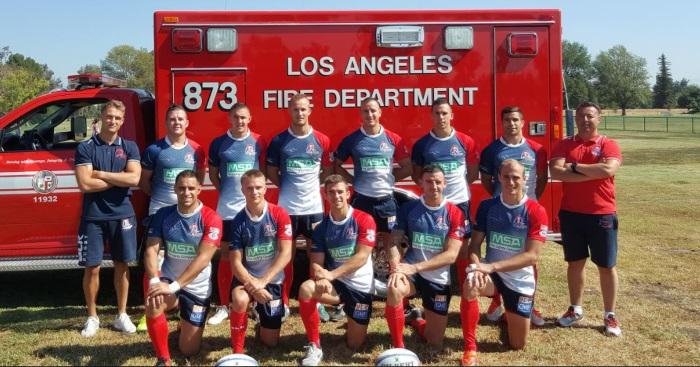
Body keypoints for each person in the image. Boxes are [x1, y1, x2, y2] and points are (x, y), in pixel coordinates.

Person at [459, 159, 548, 366]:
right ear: (499, 177)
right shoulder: (488, 206)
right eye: (506, 176)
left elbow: (532, 256)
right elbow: (474, 246)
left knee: (517, 344)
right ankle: (470, 347)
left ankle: (505, 306)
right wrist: (477, 266)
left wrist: (490, 266)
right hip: (491, 274)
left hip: (518, 278)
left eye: (516, 177)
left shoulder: (535, 210)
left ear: (525, 178)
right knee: (470, 283)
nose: (510, 181)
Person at [549, 101, 623, 336]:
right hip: (571, 214)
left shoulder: (608, 144)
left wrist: (574, 167)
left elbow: (608, 170)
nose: (585, 120)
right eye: (581, 116)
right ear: (575, 119)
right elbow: (556, 173)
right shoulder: (564, 143)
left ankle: (610, 315)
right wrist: (592, 172)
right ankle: (575, 308)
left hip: (602, 214)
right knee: (575, 263)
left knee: (606, 265)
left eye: (590, 116)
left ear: (599, 119)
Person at [74, 100, 141, 337]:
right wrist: (119, 178)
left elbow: (134, 180)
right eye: (109, 116)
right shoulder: (86, 147)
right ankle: (92, 317)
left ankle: (121, 314)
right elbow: (84, 183)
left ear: (122, 121)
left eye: (117, 118)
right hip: (93, 216)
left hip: (123, 214)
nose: (112, 121)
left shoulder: (130, 147)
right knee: (92, 268)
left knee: (122, 265)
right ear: (101, 117)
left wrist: (101, 174)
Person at [137, 104, 207, 331]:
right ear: (166, 123)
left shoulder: (196, 150)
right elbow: (144, 182)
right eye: (172, 119)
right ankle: (150, 306)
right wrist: (161, 202)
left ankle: (180, 301)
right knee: (154, 261)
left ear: (187, 123)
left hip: (186, 215)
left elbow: (197, 179)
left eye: (181, 119)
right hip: (160, 211)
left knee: (185, 255)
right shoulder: (154, 150)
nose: (177, 123)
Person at [144, 170, 223, 367]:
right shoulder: (163, 214)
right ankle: (163, 359)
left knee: (189, 350)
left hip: (197, 288)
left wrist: (174, 287)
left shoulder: (211, 218)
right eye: (181, 188)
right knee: (154, 299)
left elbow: (203, 259)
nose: (186, 192)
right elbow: (151, 250)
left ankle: (186, 321)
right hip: (169, 280)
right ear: (175, 189)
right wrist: (155, 280)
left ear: (199, 190)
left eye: (190, 188)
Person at [297, 175, 377, 366]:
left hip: (360, 287)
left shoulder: (364, 219)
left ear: (348, 194)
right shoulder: (321, 228)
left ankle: (352, 322)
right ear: (325, 195)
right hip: (337, 286)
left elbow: (361, 257)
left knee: (355, 345)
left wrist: (331, 274)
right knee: (306, 289)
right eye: (331, 192)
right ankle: (314, 345)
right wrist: (320, 275)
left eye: (340, 191)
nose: (336, 196)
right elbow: (316, 263)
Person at [478, 106, 548, 326]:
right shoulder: (492, 150)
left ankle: (529, 301)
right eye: (507, 120)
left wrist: (531, 200)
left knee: (529, 259)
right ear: (502, 123)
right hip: (500, 212)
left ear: (523, 122)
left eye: (516, 119)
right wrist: (501, 199)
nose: (511, 124)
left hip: (527, 211)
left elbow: (543, 179)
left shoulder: (537, 149)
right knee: (497, 253)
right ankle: (497, 300)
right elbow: (486, 181)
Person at [266, 93, 332, 319]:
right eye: (295, 109)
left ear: (310, 111)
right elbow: (272, 172)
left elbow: (326, 170)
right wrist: (289, 188)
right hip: (287, 209)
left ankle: (318, 301)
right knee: (286, 258)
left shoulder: (321, 140)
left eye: (303, 109)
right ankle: (283, 302)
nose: (300, 113)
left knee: (317, 258)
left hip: (314, 208)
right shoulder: (279, 141)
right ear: (289, 111)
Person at [410, 98, 478, 320]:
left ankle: (464, 292)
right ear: (432, 116)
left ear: (452, 115)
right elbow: (417, 175)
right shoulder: (422, 144)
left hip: (459, 202)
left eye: (444, 113)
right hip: (433, 206)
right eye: (437, 113)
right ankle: (436, 291)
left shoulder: (465, 141)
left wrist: (453, 194)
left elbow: (473, 173)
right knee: (436, 248)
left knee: (463, 251)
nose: (441, 117)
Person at [384, 164, 465, 349]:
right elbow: (394, 241)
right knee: (394, 288)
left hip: (436, 275)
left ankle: (416, 320)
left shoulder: (455, 213)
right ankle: (399, 346)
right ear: (421, 183)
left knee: (434, 341)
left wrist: (415, 267)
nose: (434, 186)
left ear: (445, 184)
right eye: (429, 182)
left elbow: (451, 256)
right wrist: (396, 267)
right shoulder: (409, 208)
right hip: (411, 271)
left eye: (438, 182)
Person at [207, 103, 267, 326]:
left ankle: (253, 303)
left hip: (252, 211)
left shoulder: (259, 142)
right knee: (226, 256)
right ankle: (223, 305)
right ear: (229, 118)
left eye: (243, 117)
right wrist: (226, 193)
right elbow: (214, 175)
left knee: (253, 257)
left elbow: (261, 174)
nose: (239, 121)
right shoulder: (218, 143)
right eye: (235, 117)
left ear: (250, 118)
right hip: (227, 210)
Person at [227, 169, 293, 354]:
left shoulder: (280, 214)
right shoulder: (238, 220)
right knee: (239, 300)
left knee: (270, 343)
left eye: (258, 188)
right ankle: (237, 352)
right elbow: (235, 263)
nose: (254, 192)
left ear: (265, 188)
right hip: (247, 279)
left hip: (271, 281)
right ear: (242, 190)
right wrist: (254, 286)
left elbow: (286, 253)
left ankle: (260, 322)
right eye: (249, 188)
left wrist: (263, 282)